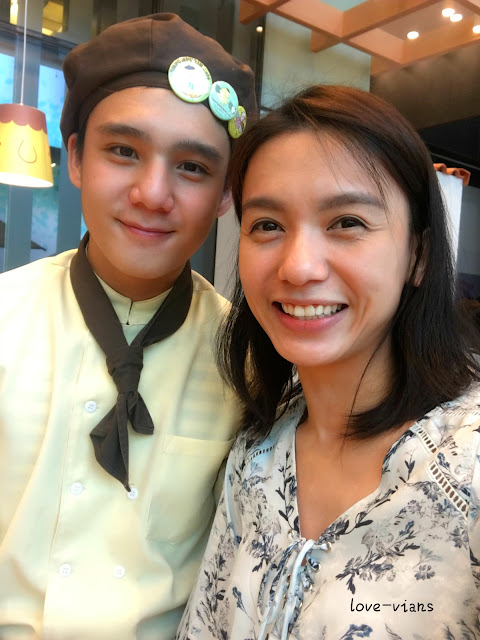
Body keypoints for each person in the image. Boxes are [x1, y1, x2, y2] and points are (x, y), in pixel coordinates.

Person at [177, 85, 480, 640]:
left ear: (418, 254)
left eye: (347, 222)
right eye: (268, 225)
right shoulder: (257, 453)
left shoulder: (467, 467)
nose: (298, 267)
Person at [0, 12, 256, 640]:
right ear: (76, 158)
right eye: (123, 151)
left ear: (225, 194)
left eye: (192, 167)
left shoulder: (250, 361)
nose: (152, 193)